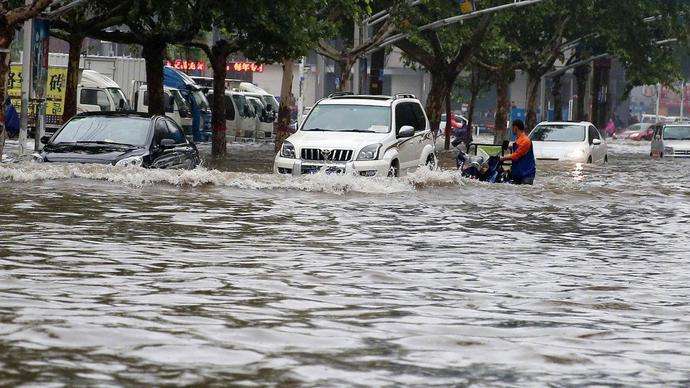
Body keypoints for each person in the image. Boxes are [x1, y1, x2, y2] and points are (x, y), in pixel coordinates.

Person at [501, 119, 536, 185]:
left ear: (515, 128)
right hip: (518, 173)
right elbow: (516, 149)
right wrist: (509, 147)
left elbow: (516, 155)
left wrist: (503, 158)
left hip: (526, 174)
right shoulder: (518, 139)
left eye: (512, 128)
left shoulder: (525, 141)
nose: (512, 130)